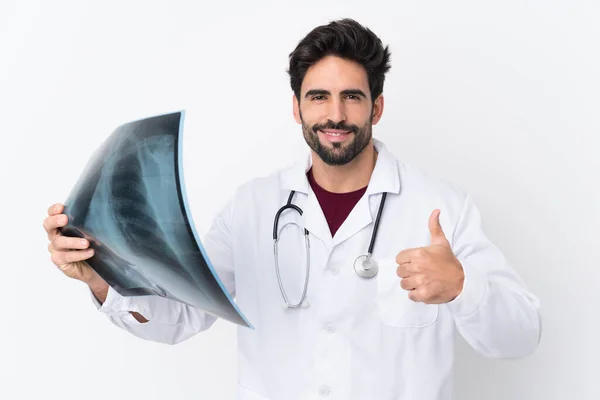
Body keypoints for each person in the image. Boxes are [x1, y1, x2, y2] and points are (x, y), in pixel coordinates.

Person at [43, 18, 541, 400]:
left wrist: (462, 287)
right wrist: (100, 279)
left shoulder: (441, 206)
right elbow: (180, 317)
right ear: (297, 107)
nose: (336, 114)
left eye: (352, 97)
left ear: (377, 108)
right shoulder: (252, 207)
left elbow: (521, 337)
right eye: (319, 96)